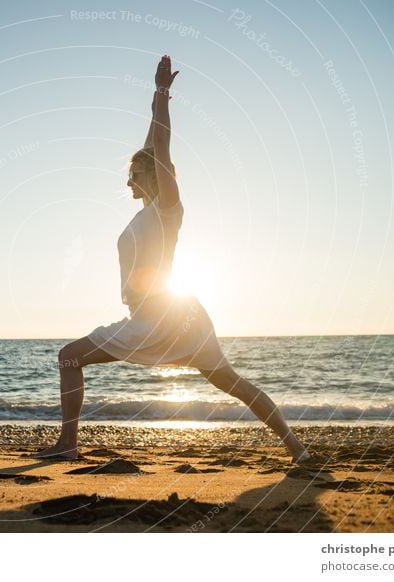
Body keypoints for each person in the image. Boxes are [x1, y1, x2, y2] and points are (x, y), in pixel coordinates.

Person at [31, 55, 311, 464]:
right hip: (180, 317)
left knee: (69, 356)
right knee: (232, 381)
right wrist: (154, 93)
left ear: (151, 175)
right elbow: (151, 145)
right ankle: (297, 449)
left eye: (133, 173)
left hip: (156, 319)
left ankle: (69, 445)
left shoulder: (168, 208)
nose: (127, 180)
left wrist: (163, 93)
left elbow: (159, 145)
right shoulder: (150, 212)